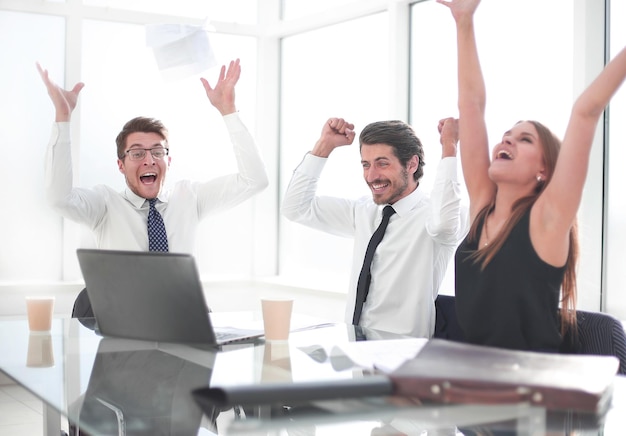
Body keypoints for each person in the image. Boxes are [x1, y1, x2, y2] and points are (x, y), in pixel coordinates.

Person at [438, 0, 626, 351]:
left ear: (544, 171)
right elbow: (472, 106)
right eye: (507, 133)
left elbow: (585, 113)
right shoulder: (483, 207)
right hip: (473, 379)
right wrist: (463, 21)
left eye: (525, 139)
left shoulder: (547, 220)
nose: (507, 138)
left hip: (528, 393)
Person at [38, 58, 269, 317]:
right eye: (136, 153)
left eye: (157, 152)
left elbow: (255, 180)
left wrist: (229, 111)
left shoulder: (190, 198)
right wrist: (63, 117)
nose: (149, 159)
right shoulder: (104, 205)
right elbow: (59, 198)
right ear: (121, 165)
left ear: (168, 161)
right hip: (123, 328)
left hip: (181, 321)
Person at [281, 117, 468, 337]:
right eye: (366, 164)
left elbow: (445, 225)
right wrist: (325, 145)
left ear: (412, 164)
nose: (371, 176)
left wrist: (450, 147)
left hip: (403, 358)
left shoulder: (435, 217)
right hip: (356, 353)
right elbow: (295, 208)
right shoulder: (364, 211)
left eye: (382, 163)